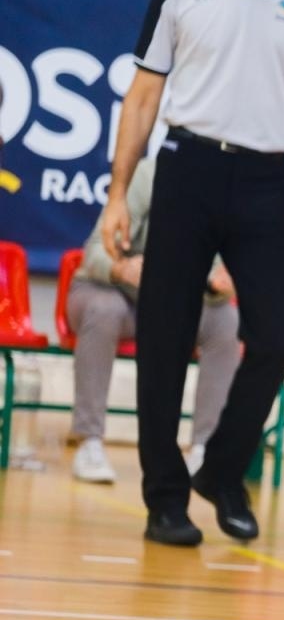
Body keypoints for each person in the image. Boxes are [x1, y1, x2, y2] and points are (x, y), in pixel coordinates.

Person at [103, 0, 284, 547]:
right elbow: (142, 98)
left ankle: (224, 472)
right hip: (187, 169)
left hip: (265, 179)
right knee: (166, 342)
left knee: (277, 339)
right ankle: (164, 501)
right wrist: (118, 194)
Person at [68, 157, 241, 485]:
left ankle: (205, 450)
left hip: (173, 303)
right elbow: (94, 253)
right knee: (105, 311)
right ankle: (89, 441)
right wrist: (121, 268)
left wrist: (220, 285)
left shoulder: (225, 193)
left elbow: (218, 278)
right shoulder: (145, 175)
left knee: (225, 320)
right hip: (111, 290)